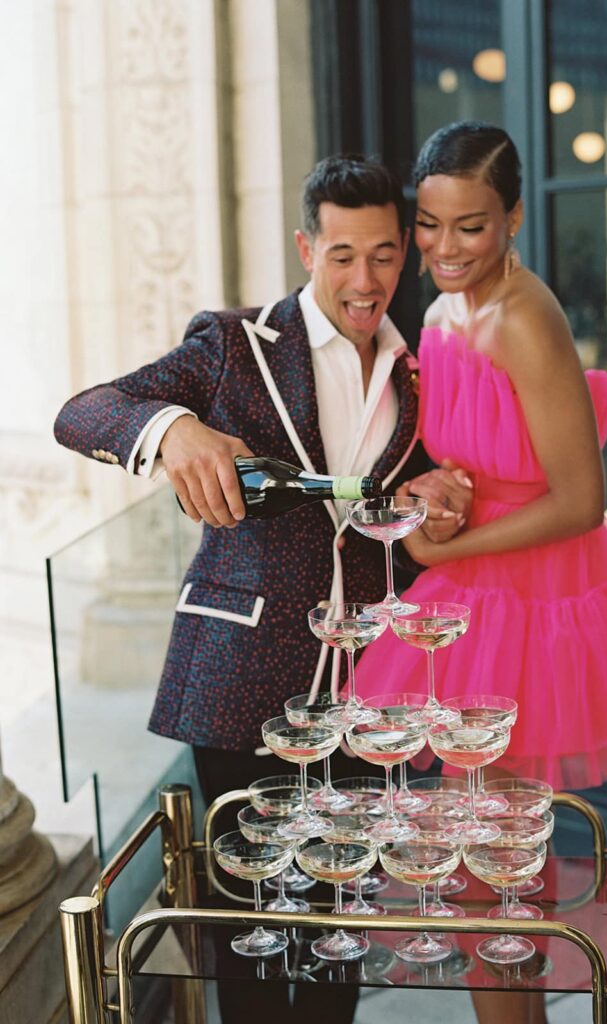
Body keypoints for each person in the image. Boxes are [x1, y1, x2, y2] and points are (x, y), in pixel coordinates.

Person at [53, 153, 470, 1023]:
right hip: (242, 682)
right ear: (305, 246)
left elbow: (410, 495)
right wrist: (172, 432)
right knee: (245, 934)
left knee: (339, 925)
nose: (366, 280)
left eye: (385, 255)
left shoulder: (419, 371)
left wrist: (433, 495)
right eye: (344, 253)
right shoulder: (234, 345)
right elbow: (85, 410)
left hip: (365, 690)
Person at [352, 122, 607, 1024]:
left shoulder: (526, 316)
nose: (445, 249)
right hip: (477, 595)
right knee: (477, 865)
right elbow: (468, 454)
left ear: (514, 219)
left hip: (543, 605)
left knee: (508, 869)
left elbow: (579, 499)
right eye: (432, 224)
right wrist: (435, 491)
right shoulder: (445, 311)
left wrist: (438, 551)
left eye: (471, 227)